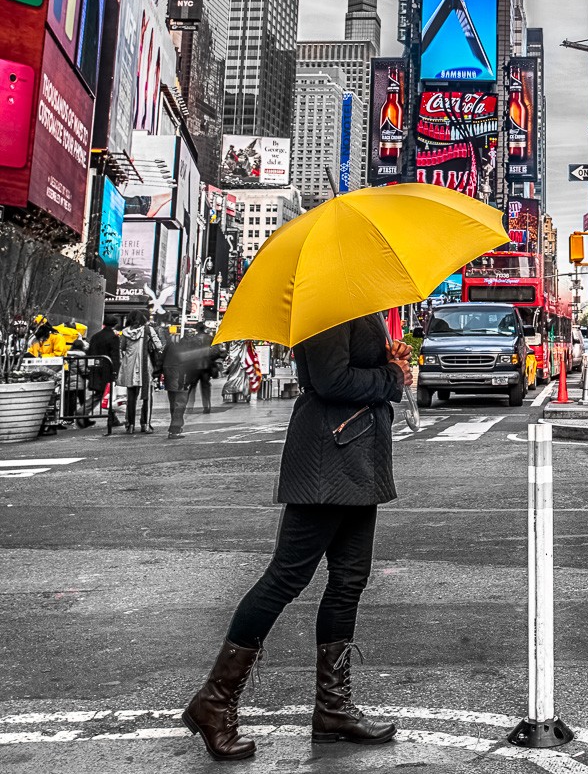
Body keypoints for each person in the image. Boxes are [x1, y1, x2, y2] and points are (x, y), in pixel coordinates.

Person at [184, 314, 413, 761]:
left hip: (358, 458)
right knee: (286, 578)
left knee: (349, 581)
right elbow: (330, 379)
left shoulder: (355, 299)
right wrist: (390, 376)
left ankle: (333, 709)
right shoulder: (329, 303)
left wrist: (390, 358)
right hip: (329, 458)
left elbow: (353, 368)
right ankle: (213, 702)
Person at [117, 311, 163, 434]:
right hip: (145, 367)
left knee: (131, 397)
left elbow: (122, 349)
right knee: (147, 396)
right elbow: (158, 346)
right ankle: (145, 424)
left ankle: (130, 425)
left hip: (129, 367)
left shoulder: (125, 332)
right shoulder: (148, 330)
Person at [84, 316, 121, 430]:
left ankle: (112, 418)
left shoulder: (95, 336)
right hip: (107, 370)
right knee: (105, 393)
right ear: (114, 324)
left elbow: (89, 352)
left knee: (103, 393)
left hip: (95, 369)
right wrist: (115, 370)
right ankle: (81, 414)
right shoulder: (113, 337)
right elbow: (115, 356)